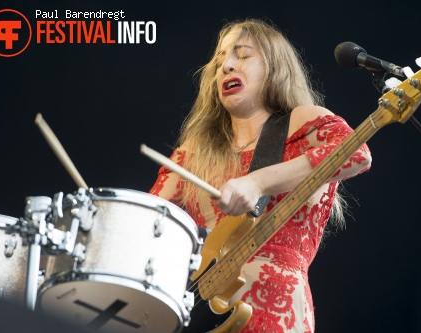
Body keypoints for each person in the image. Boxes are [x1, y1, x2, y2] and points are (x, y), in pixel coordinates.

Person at [149, 19, 372, 333]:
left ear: (274, 67)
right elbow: (146, 223)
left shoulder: (302, 120)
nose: (226, 66)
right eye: (219, 61)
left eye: (241, 55)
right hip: (203, 319)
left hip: (276, 309)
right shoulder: (192, 153)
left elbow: (356, 153)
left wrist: (256, 181)